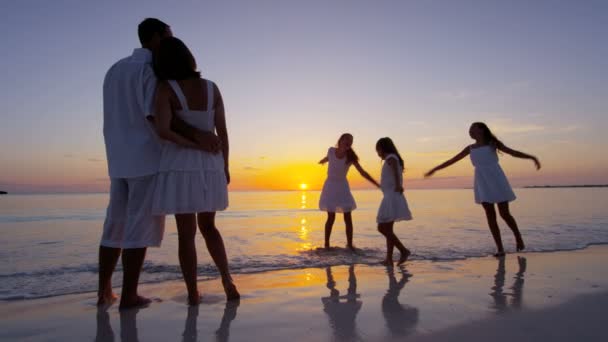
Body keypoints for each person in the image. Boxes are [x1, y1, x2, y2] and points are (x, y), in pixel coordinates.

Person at [98, 18, 219, 310]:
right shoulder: (150, 70)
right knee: (139, 227)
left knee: (114, 225)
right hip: (148, 159)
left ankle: (103, 292)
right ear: (155, 37)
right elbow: (157, 116)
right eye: (168, 36)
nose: (170, 41)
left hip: (117, 158)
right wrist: (200, 135)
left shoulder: (114, 69)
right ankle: (129, 295)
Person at [152, 37, 239, 304]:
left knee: (186, 233)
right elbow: (222, 131)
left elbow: (163, 130)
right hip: (211, 164)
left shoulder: (166, 88)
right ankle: (228, 281)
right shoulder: (212, 88)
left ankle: (192, 293)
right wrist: (224, 165)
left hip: (182, 164)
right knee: (210, 227)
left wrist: (192, 143)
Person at [425, 122, 541, 257]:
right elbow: (452, 160)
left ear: (481, 130)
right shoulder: (470, 148)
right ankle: (500, 248)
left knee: (504, 213)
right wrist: (435, 169)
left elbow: (513, 152)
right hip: (482, 181)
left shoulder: (492, 144)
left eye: (472, 129)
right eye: (469, 130)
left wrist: (532, 158)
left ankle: (518, 236)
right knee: (490, 215)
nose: (470, 132)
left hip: (497, 178)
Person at [318, 133, 380, 249]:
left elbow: (362, 172)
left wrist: (375, 183)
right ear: (340, 140)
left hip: (342, 187)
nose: (349, 142)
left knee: (347, 216)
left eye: (351, 141)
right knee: (331, 217)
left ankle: (350, 245)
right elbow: (328, 157)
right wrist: (323, 161)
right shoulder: (331, 150)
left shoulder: (350, 157)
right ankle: (326, 245)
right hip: (330, 187)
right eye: (347, 139)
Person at [375, 137, 412, 266]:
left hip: (392, 195)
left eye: (378, 150)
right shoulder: (392, 157)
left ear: (383, 148)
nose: (378, 153)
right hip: (390, 195)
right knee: (388, 229)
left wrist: (398, 184)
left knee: (382, 227)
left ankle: (403, 250)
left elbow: (396, 169)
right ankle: (389, 259)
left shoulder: (391, 158)